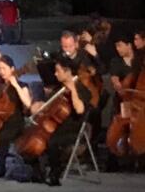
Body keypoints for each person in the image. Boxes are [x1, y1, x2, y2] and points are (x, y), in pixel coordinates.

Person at [24, 56, 94, 185]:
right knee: (29, 137)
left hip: (72, 128)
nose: (55, 74)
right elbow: (49, 107)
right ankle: (37, 171)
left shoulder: (82, 89)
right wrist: (39, 107)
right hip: (56, 126)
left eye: (58, 71)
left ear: (68, 71)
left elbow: (80, 110)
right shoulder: (58, 89)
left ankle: (55, 173)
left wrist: (73, 90)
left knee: (52, 141)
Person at [0, 54, 33, 178]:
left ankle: (1, 168)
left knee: (3, 136)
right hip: (0, 121)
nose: (1, 72)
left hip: (15, 123)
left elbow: (28, 104)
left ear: (12, 69)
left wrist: (15, 85)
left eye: (4, 68)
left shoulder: (22, 85)